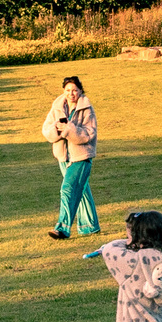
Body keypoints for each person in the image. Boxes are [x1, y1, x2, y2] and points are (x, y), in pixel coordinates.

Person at [41, 76, 100, 241]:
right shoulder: (57, 107)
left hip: (81, 157)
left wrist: (68, 129)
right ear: (63, 91)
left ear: (80, 90)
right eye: (68, 90)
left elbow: (89, 134)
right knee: (81, 191)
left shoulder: (87, 109)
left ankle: (63, 228)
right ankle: (90, 226)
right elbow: (46, 130)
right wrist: (56, 129)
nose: (71, 93)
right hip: (63, 157)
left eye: (74, 90)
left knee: (68, 189)